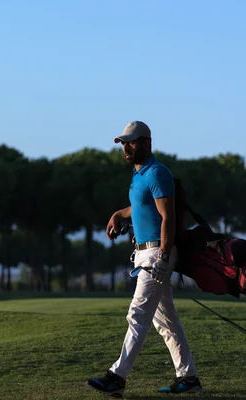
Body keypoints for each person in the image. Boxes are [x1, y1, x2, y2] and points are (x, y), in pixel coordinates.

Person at [85, 121, 203, 397]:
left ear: (146, 143)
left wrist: (163, 255)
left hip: (155, 253)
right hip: (144, 253)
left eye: (132, 142)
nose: (126, 147)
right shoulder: (139, 175)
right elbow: (140, 206)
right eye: (123, 143)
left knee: (137, 314)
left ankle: (117, 377)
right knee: (165, 321)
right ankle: (188, 378)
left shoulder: (157, 173)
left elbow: (168, 216)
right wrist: (118, 214)